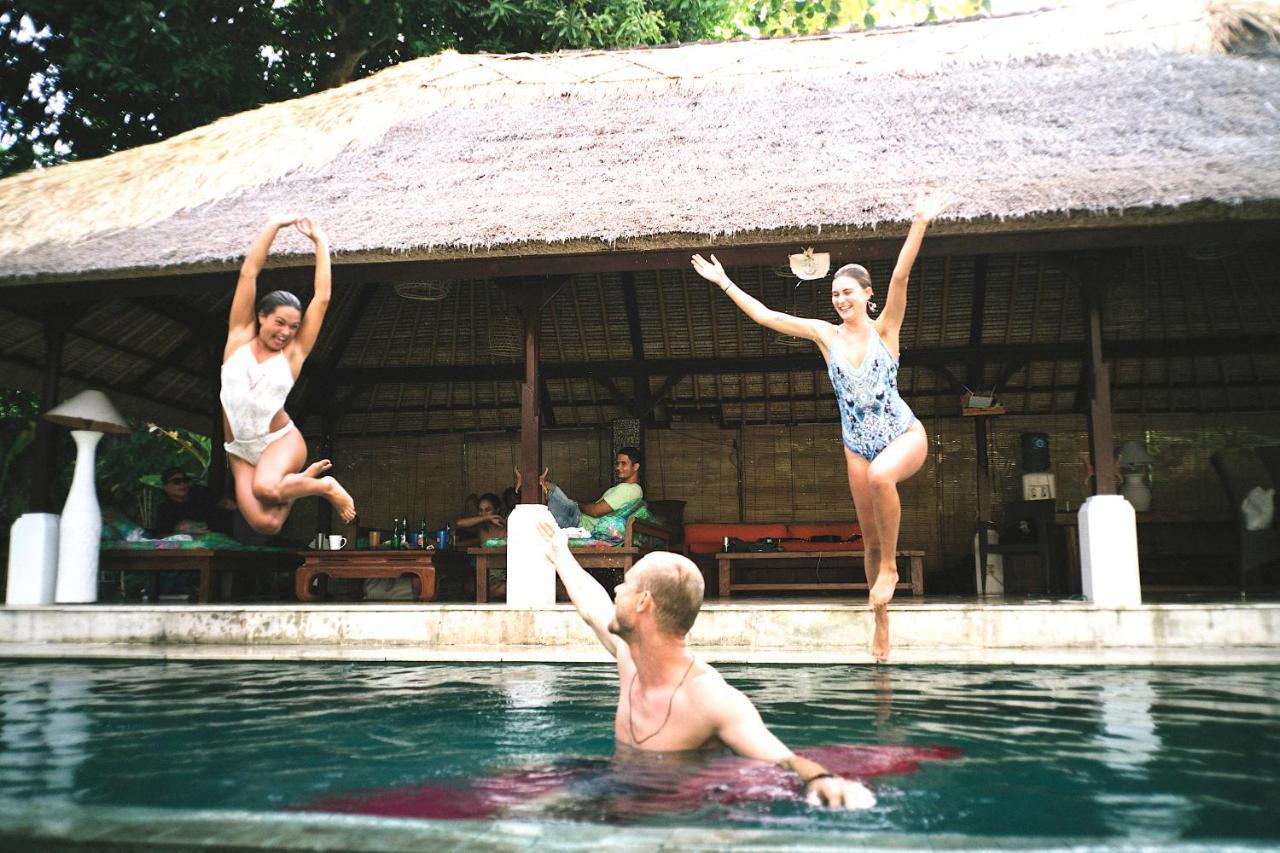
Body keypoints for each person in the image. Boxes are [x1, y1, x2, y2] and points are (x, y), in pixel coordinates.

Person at [691, 191, 949, 661]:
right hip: (856, 447)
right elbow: (768, 316)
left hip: (903, 436)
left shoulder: (886, 328)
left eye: (848, 291)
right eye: (834, 294)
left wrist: (919, 223)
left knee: (881, 477)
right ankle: (881, 623)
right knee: (868, 541)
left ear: (867, 296)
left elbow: (901, 274)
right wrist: (724, 282)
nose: (840, 298)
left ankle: (891, 569)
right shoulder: (824, 336)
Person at [538, 517, 875, 809]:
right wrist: (560, 554)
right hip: (616, 784)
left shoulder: (709, 698)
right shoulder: (630, 654)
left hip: (672, 811)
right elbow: (590, 603)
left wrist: (823, 780)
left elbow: (781, 757)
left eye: (624, 585)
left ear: (644, 603)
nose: (616, 592)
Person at [222, 214, 356, 535]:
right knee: (266, 523)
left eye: (293, 326)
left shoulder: (292, 356)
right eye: (279, 323)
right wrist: (273, 226)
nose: (286, 332)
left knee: (267, 490)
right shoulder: (238, 339)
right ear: (261, 317)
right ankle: (303, 481)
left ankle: (325, 486)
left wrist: (320, 241)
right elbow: (249, 272)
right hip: (239, 449)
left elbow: (321, 298)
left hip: (280, 441)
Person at [517, 447, 644, 534]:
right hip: (578, 520)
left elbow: (595, 511)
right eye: (617, 463)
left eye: (623, 463)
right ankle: (533, 485)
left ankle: (530, 484)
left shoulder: (628, 489)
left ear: (636, 466)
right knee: (548, 489)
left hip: (578, 522)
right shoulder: (634, 491)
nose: (618, 467)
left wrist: (577, 504)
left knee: (548, 487)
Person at [150, 466, 234, 538]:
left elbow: (227, 504)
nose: (182, 484)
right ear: (165, 487)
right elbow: (162, 536)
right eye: (177, 481)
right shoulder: (165, 509)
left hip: (222, 539)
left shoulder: (201, 493)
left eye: (185, 480)